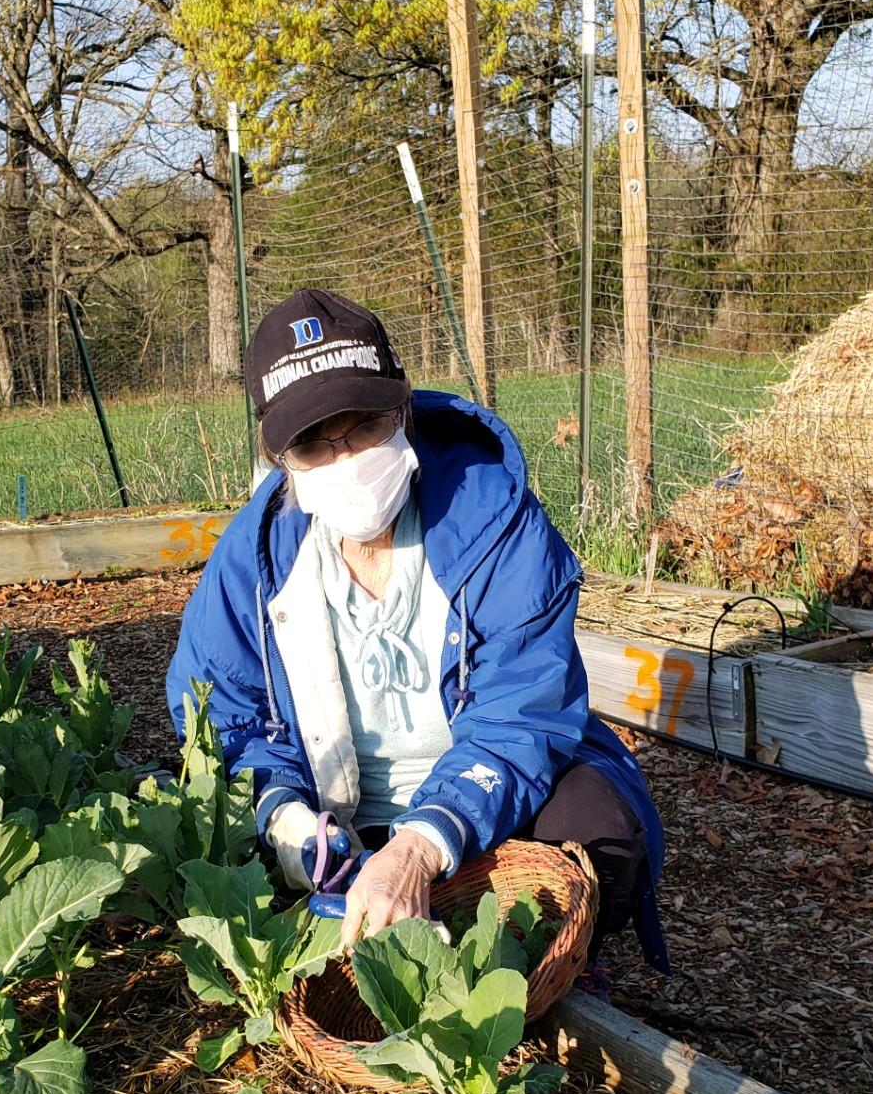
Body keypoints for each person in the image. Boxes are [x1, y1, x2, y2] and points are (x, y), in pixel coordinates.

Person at [167, 287, 667, 977]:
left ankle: (548, 969)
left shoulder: (496, 522)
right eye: (313, 441)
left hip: (485, 794)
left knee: (596, 831)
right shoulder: (251, 560)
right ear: (279, 457)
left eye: (362, 425)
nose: (344, 457)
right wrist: (284, 814)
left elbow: (520, 711)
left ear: (401, 410)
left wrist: (422, 844)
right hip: (340, 811)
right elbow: (226, 711)